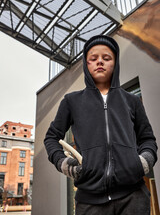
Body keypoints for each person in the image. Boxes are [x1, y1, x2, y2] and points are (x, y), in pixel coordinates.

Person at [44, 35, 158, 215]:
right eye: (93, 58)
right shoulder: (71, 101)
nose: (100, 62)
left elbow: (147, 139)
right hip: (89, 202)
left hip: (134, 197)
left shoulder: (132, 101)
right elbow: (51, 137)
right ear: (86, 64)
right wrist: (63, 163)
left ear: (115, 64)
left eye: (106, 58)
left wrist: (143, 162)